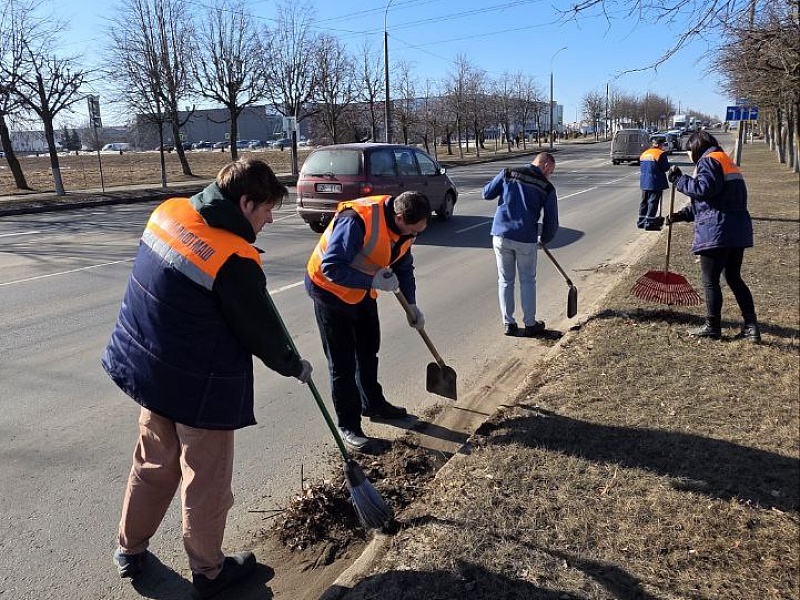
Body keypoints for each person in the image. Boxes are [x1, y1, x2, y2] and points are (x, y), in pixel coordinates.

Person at [102, 157, 313, 597]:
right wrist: (294, 363)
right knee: (206, 479)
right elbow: (261, 329)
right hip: (200, 384)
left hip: (151, 370)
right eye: (267, 209)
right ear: (245, 201)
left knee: (152, 466)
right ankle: (210, 571)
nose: (271, 219)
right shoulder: (232, 257)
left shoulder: (170, 211)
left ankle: (130, 549)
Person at [305, 191, 429, 453]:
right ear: (398, 217)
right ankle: (348, 426)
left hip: (361, 291)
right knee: (343, 364)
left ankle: (373, 403)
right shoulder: (356, 220)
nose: (415, 234)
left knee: (369, 350)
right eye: (413, 229)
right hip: (329, 292)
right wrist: (372, 281)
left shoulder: (405, 230)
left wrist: (413, 305)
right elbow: (332, 266)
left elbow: (403, 265)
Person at [666, 130, 760, 341]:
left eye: (688, 151)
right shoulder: (725, 160)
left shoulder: (708, 161)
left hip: (718, 231)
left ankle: (713, 326)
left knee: (710, 280)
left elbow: (703, 189)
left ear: (696, 147)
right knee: (734, 278)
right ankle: (752, 327)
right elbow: (711, 202)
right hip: (736, 230)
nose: (688, 156)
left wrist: (679, 180)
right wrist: (679, 216)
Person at [482, 152, 559, 337]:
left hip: (500, 235)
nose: (550, 175)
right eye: (551, 171)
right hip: (526, 238)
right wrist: (545, 238)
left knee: (505, 281)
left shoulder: (508, 173)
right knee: (527, 281)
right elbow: (551, 221)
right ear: (546, 165)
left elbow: (486, 193)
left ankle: (509, 324)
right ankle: (530, 324)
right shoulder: (546, 187)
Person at [638, 137, 670, 230]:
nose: (664, 147)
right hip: (655, 181)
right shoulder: (660, 154)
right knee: (653, 202)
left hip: (644, 181)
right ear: (660, 145)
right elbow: (665, 167)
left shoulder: (645, 153)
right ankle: (650, 223)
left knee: (644, 201)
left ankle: (641, 221)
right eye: (664, 145)